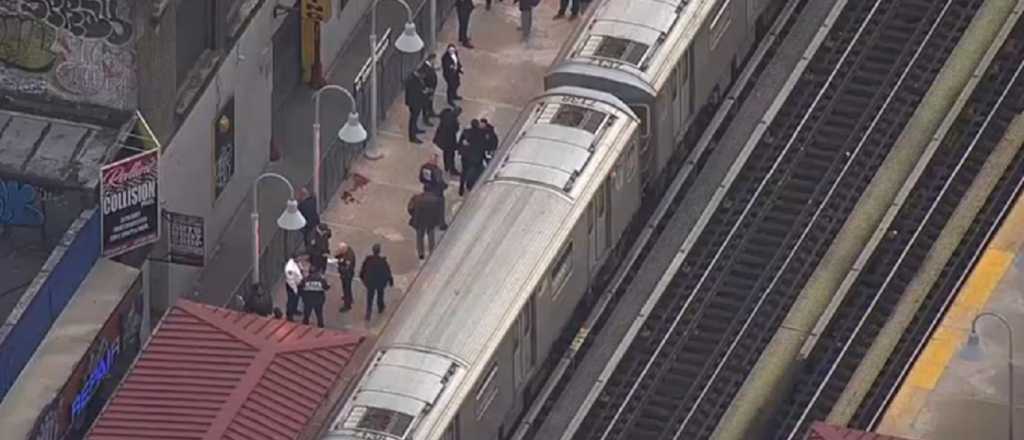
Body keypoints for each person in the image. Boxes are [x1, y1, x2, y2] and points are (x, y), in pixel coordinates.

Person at [359, 243, 394, 321]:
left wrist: (363, 279)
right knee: (380, 295)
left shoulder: (368, 260)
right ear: (379, 251)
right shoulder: (382, 261)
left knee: (370, 298)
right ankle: (380, 307)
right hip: (380, 283)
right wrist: (390, 281)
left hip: (370, 283)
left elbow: (363, 270)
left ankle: (368, 313)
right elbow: (387, 272)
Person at [408, 189, 444, 259]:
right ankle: (432, 252)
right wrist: (439, 221)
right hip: (431, 220)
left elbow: (410, 208)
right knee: (431, 236)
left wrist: (413, 215)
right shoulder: (436, 199)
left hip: (419, 220)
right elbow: (439, 212)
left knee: (419, 237)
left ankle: (421, 254)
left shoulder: (417, 198)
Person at [419, 155, 450, 230]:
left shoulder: (423, 167)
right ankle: (441, 224)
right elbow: (439, 182)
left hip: (427, 190)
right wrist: (445, 186)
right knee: (440, 208)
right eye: (436, 160)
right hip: (436, 192)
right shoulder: (437, 170)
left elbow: (421, 179)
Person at [458, 119, 487, 195]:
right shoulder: (481, 133)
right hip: (475, 157)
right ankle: (470, 185)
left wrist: (461, 151)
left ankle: (461, 188)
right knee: (474, 172)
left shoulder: (466, 132)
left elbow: (460, 142)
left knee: (464, 172)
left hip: (466, 156)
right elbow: (483, 145)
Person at [434, 107, 462, 175]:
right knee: (451, 154)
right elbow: (456, 129)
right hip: (449, 140)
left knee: (445, 152)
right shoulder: (453, 120)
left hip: (442, 138)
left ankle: (446, 166)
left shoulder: (446, 114)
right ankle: (452, 169)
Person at [404, 70, 427, 143]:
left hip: (416, 102)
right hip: (414, 103)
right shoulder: (413, 81)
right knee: (413, 119)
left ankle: (415, 129)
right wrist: (423, 92)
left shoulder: (415, 79)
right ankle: (412, 137)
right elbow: (413, 93)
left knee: (415, 119)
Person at [335, 242, 357, 312]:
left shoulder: (349, 257)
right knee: (346, 288)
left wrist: (339, 266)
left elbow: (347, 268)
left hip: (347, 275)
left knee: (346, 288)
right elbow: (340, 256)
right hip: (345, 275)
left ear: (344, 249)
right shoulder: (347, 250)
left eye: (341, 250)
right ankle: (349, 298)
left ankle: (347, 305)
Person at [418, 54, 439, 124]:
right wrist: (426, 88)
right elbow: (422, 79)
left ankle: (431, 112)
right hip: (427, 89)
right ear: (431, 59)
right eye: (434, 60)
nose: (435, 61)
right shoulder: (424, 68)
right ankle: (426, 119)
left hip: (431, 88)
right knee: (426, 104)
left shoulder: (430, 66)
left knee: (430, 101)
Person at [284, 256, 304, 321]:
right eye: (299, 258)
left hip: (297, 284)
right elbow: (290, 280)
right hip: (291, 286)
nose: (300, 259)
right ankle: (289, 315)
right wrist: (295, 289)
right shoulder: (289, 268)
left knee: (296, 298)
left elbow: (300, 271)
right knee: (291, 300)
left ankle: (294, 310)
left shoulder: (296, 263)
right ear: (295, 258)